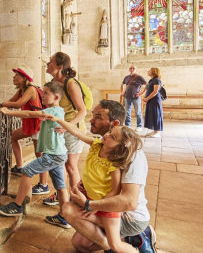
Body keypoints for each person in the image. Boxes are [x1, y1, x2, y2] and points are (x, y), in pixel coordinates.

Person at [63, 100, 156, 253]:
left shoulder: (132, 155)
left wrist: (89, 205)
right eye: (93, 115)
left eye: (98, 117)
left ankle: (131, 240)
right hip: (108, 207)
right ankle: (125, 241)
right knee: (80, 243)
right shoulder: (103, 146)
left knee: (72, 213)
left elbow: (129, 202)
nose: (91, 120)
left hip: (128, 216)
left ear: (115, 123)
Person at [47, 113, 143, 253]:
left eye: (113, 137)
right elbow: (77, 132)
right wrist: (59, 120)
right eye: (110, 132)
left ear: (120, 147)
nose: (107, 135)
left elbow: (115, 191)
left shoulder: (113, 164)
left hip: (107, 206)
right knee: (68, 210)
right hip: (91, 200)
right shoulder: (96, 144)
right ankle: (119, 242)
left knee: (115, 244)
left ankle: (134, 245)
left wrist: (97, 207)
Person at [0, 81, 70, 228]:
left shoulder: (52, 112)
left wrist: (8, 111)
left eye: (46, 93)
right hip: (59, 154)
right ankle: (64, 217)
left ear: (56, 97)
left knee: (27, 171)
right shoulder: (59, 110)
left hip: (53, 155)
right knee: (60, 186)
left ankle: (16, 206)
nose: (42, 95)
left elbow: (29, 113)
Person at [42, 52, 86, 207]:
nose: (48, 63)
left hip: (72, 130)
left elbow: (82, 110)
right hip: (59, 129)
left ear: (60, 66)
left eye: (51, 61)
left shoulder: (70, 84)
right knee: (59, 164)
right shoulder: (54, 82)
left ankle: (77, 201)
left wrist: (68, 126)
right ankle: (62, 195)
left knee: (70, 167)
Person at [0, 67, 44, 181]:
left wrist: (3, 104)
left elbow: (18, 104)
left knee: (39, 155)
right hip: (29, 123)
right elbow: (12, 101)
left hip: (37, 124)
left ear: (24, 78)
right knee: (13, 136)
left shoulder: (31, 89)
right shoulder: (21, 90)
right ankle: (19, 166)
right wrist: (3, 106)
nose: (13, 77)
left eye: (16, 75)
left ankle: (43, 184)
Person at [121, 65, 147, 130]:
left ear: (136, 69)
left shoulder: (139, 77)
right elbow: (122, 85)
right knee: (127, 112)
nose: (132, 69)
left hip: (136, 98)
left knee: (138, 112)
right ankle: (127, 125)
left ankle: (139, 126)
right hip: (127, 97)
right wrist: (122, 92)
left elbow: (147, 85)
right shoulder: (126, 77)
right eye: (130, 68)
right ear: (129, 69)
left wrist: (141, 93)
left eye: (133, 68)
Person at [142, 68, 164, 138]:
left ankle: (157, 132)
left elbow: (155, 91)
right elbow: (147, 88)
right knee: (152, 114)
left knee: (156, 114)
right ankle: (155, 131)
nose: (147, 71)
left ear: (153, 72)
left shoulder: (157, 80)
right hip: (151, 100)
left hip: (155, 100)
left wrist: (147, 98)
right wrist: (142, 94)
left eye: (149, 70)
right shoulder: (152, 80)